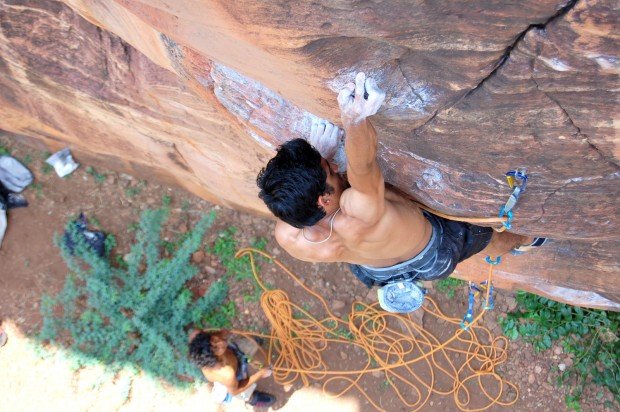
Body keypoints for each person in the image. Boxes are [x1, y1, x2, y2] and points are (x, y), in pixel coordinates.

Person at [256, 72, 546, 313]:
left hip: (373, 272)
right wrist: (355, 119)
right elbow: (363, 167)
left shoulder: (290, 236)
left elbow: (290, 197)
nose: (333, 164)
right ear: (325, 199)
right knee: (483, 237)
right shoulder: (358, 210)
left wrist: (322, 164)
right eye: (330, 169)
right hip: (433, 254)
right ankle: (524, 240)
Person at [188, 329, 276, 408]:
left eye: (213, 340)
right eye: (216, 347)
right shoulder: (226, 373)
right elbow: (236, 390)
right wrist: (260, 374)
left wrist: (220, 333)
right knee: (244, 393)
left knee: (250, 343)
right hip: (236, 375)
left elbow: (202, 335)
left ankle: (254, 343)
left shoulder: (199, 337)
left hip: (234, 351)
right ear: (213, 358)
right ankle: (253, 399)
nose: (220, 342)